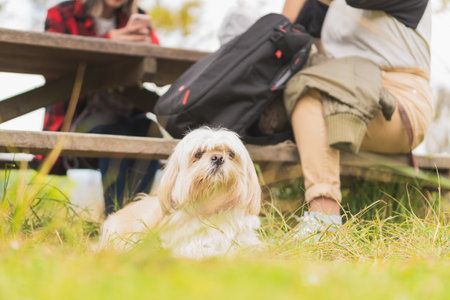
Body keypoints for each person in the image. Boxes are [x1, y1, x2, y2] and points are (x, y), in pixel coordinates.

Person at [281, 0, 434, 238]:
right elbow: (289, 28)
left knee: (307, 91)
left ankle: (324, 216)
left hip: (396, 101)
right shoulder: (334, 8)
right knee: (295, 90)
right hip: (338, 86)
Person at [37, 0, 160, 214]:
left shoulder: (138, 16)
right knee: (116, 129)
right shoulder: (61, 14)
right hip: (77, 120)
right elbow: (52, 67)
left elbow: (159, 67)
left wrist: (147, 42)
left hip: (130, 114)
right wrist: (108, 40)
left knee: (150, 131)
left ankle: (136, 218)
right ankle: (117, 219)